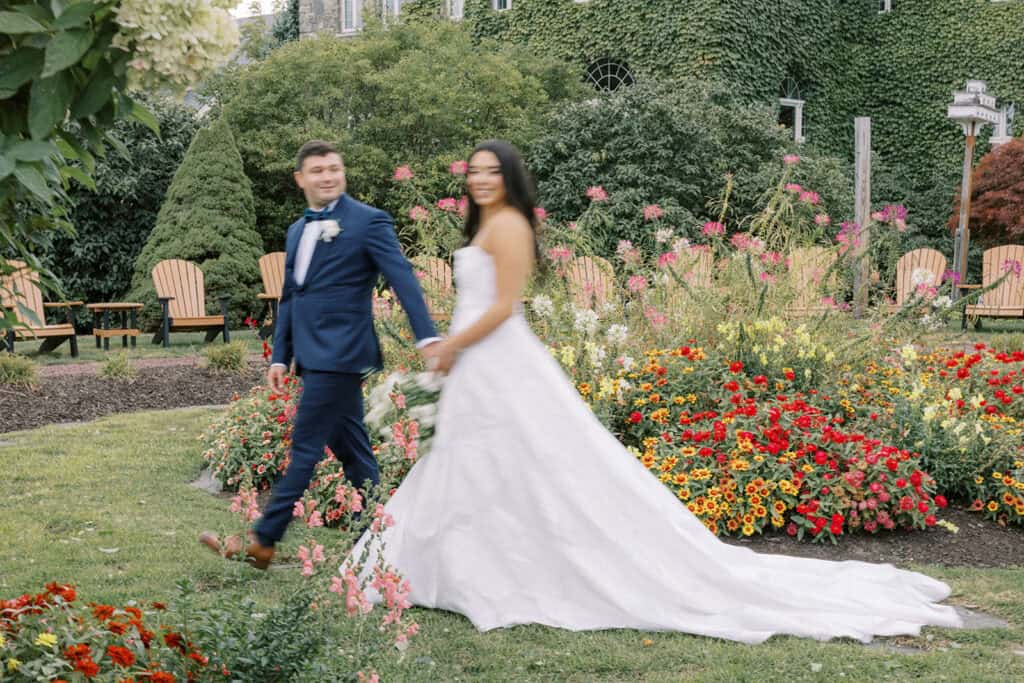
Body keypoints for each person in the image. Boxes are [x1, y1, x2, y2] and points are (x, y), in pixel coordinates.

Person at [351, 139, 963, 644]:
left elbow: (503, 306)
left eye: (492, 171)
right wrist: (451, 353)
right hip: (476, 364)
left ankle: (502, 569)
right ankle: (463, 566)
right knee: (476, 464)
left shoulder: (509, 224)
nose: (481, 180)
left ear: (509, 177)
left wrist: (451, 346)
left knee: (526, 465)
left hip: (496, 357)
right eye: (475, 172)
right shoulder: (484, 222)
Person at [200, 140, 439, 569]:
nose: (328, 176)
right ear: (300, 179)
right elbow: (292, 296)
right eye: (317, 170)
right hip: (311, 355)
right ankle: (377, 541)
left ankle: (263, 541)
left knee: (305, 446)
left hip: (343, 353)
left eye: (334, 168)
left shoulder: (368, 221)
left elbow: (403, 278)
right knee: (353, 452)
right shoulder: (297, 230)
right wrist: (280, 356)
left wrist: (427, 339)